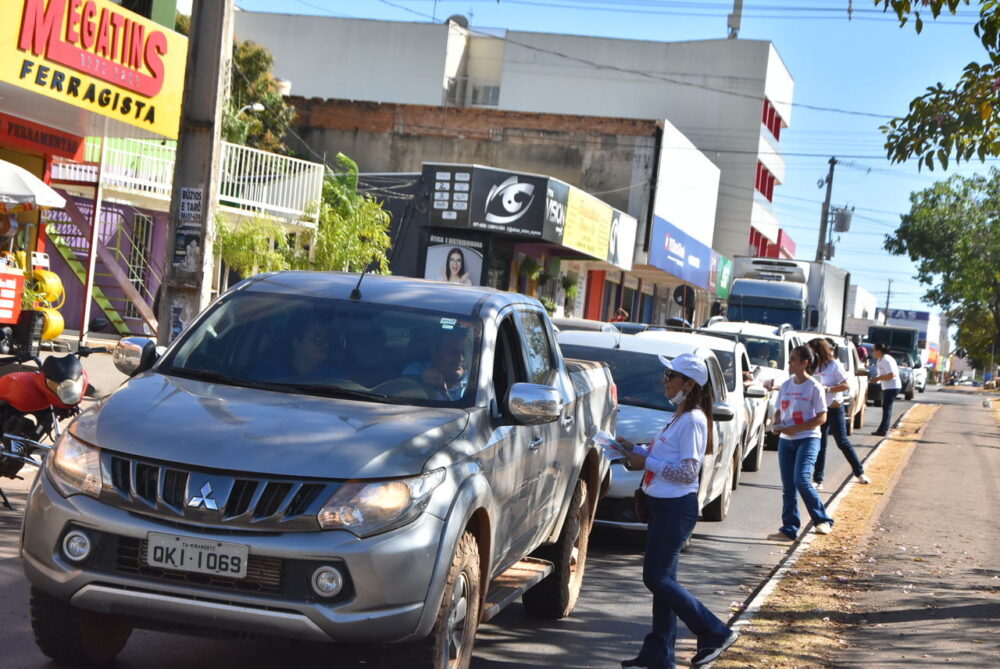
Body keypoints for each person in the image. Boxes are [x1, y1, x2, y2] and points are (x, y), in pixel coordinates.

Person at [614, 353, 739, 669]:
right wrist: (633, 450)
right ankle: (658, 654)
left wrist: (648, 462)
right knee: (663, 581)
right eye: (666, 374)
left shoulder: (694, 419)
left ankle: (714, 630)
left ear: (690, 383)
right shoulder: (680, 417)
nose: (665, 381)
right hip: (661, 505)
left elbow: (688, 472)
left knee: (656, 578)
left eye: (671, 375)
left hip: (675, 508)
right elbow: (665, 460)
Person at [770, 344, 835, 541]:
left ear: (804, 363)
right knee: (788, 486)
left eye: (792, 360)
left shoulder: (814, 387)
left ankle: (822, 520)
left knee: (801, 480)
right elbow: (779, 410)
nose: (789, 363)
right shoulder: (786, 385)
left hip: (808, 439)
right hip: (786, 440)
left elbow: (822, 417)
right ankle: (789, 528)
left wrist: (796, 429)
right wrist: (776, 424)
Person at [807, 338, 870, 490]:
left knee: (842, 441)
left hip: (834, 408)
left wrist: (827, 389)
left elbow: (846, 384)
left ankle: (859, 472)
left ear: (819, 350)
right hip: (819, 409)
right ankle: (818, 479)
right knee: (820, 445)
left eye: (812, 350)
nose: (809, 354)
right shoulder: (812, 366)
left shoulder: (833, 365)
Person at [256, 317, 344, 383]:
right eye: (317, 339)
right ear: (297, 343)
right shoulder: (269, 370)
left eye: (327, 339)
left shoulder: (336, 378)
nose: (326, 344)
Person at [402, 329, 469, 400]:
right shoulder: (415, 371)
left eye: (463, 353)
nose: (460, 359)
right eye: (452, 352)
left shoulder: (476, 380)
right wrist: (422, 379)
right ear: (435, 353)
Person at [870, 342, 900, 436]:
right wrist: (876, 379)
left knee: (887, 408)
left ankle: (883, 430)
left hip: (892, 386)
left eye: (874, 350)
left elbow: (891, 375)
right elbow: (883, 374)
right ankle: (882, 429)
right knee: (886, 407)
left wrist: (878, 378)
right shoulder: (880, 360)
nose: (873, 352)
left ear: (879, 351)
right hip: (887, 387)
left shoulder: (886, 359)